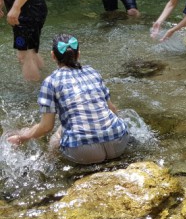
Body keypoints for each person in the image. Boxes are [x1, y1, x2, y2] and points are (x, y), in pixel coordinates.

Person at [8, 33, 129, 165]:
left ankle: (48, 164)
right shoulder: (93, 72)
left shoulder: (51, 81)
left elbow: (46, 127)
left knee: (58, 134)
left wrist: (23, 138)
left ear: (53, 56)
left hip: (84, 152)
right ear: (78, 54)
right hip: (119, 142)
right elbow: (112, 109)